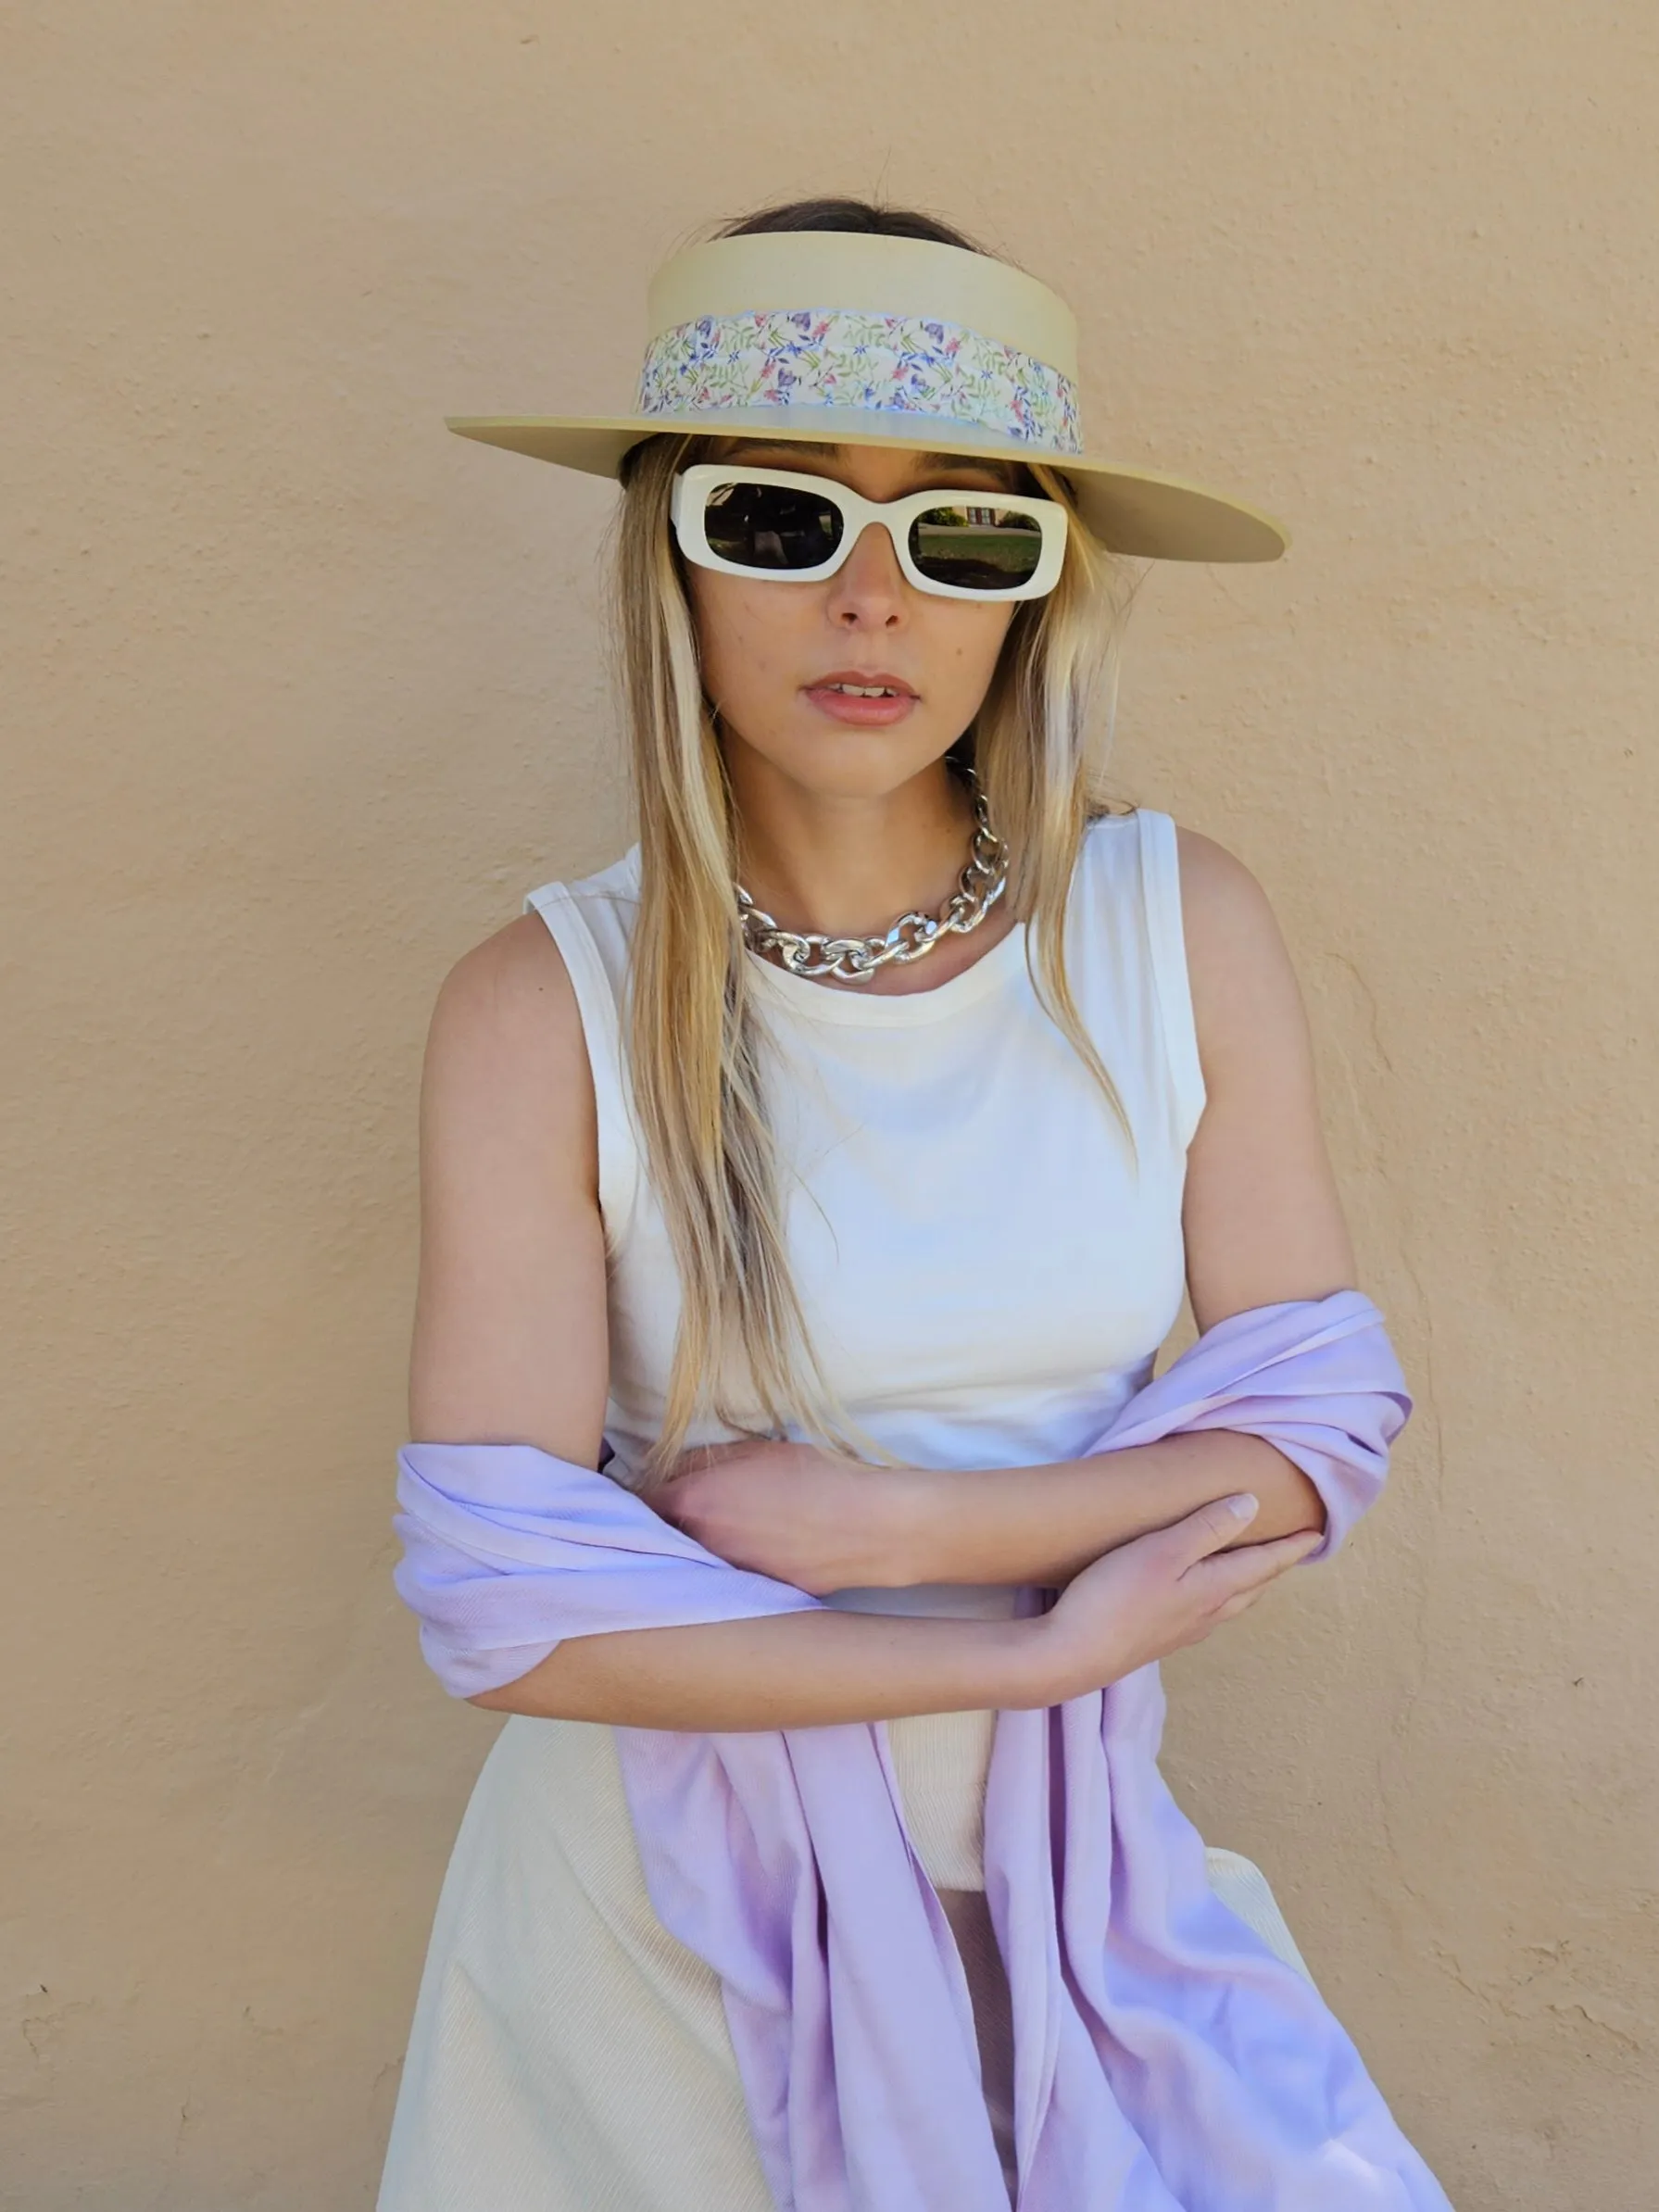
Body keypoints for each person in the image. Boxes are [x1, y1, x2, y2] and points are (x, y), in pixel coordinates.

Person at [379, 200, 1452, 2210]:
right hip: (655, 1938)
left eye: (963, 536)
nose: (873, 603)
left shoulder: (1171, 932)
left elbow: (1315, 1434)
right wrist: (1030, 1648)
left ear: (1032, 595)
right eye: (783, 525)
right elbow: (513, 1610)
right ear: (671, 565)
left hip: (1083, 1902)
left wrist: (912, 1533)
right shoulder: (545, 1013)